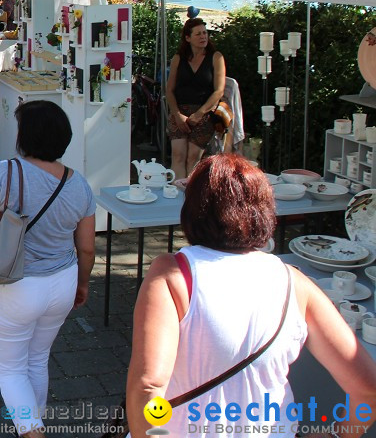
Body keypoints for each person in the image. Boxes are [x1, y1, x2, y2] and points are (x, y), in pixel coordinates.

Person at [126, 153, 376, 438]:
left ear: (193, 209)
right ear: (266, 211)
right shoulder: (295, 282)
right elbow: (368, 388)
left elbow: (148, 387)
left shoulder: (172, 274)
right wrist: (336, 435)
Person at [0, 100, 95, 438]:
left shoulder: (5, 172)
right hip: (63, 283)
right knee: (37, 359)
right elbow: (87, 247)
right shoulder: (78, 183)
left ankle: (31, 432)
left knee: (9, 370)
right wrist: (82, 284)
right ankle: (33, 424)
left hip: (16, 285)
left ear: (26, 136)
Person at [165, 17, 227, 177]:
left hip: (204, 113)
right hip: (179, 111)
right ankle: (176, 195)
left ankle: (191, 196)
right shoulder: (178, 59)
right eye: (198, 34)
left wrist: (199, 114)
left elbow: (218, 91)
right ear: (188, 38)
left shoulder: (216, 57)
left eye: (205, 33)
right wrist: (177, 115)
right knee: (178, 155)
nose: (203, 37)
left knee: (193, 157)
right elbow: (169, 90)